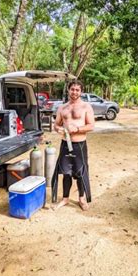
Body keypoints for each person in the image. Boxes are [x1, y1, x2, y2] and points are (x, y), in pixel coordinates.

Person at [51, 80, 94, 211]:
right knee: (66, 172)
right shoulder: (62, 108)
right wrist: (58, 129)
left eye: (77, 90)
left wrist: (78, 129)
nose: (74, 92)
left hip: (79, 145)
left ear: (81, 91)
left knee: (80, 172)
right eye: (72, 89)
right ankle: (65, 199)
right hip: (65, 144)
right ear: (68, 90)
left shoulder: (86, 107)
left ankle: (81, 198)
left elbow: (91, 126)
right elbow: (56, 124)